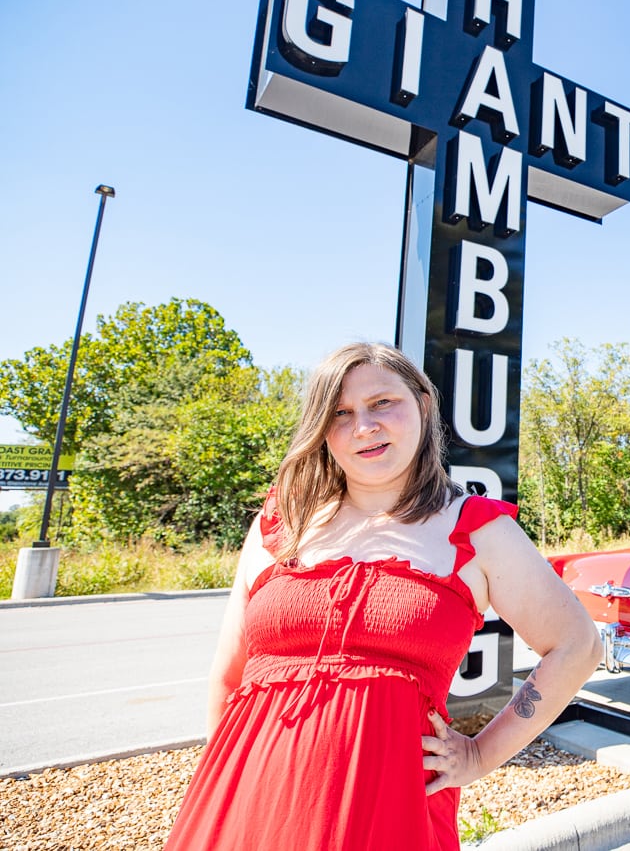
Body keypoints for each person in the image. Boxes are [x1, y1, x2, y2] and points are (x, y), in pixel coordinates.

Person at [164, 343, 603, 850]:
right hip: (245, 800)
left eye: (381, 403)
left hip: (387, 812)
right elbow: (228, 674)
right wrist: (217, 788)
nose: (364, 427)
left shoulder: (477, 529)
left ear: (422, 403)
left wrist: (481, 755)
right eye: (341, 413)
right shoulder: (278, 524)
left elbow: (578, 646)